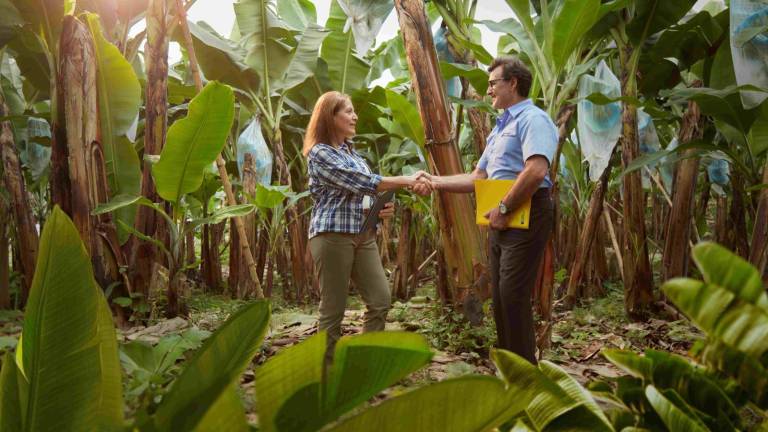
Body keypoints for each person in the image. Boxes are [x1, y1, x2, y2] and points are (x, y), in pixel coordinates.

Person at [415, 57, 556, 364]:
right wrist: (435, 181)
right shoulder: (500, 128)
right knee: (502, 297)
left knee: (513, 295)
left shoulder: (533, 119)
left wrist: (505, 206)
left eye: (493, 83)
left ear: (513, 84)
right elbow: (479, 177)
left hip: (525, 212)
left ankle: (524, 374)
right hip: (500, 216)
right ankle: (509, 366)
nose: (489, 90)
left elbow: (535, 170)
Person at [303, 91, 430, 362]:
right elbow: (361, 182)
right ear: (330, 117)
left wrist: (380, 207)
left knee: (380, 300)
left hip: (364, 235)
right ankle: (322, 375)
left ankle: (362, 367)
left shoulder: (354, 154)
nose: (355, 116)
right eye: (348, 111)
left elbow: (366, 193)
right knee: (333, 309)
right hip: (333, 235)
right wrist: (408, 180)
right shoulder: (319, 153)